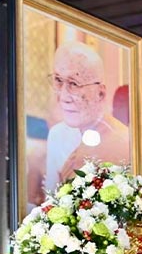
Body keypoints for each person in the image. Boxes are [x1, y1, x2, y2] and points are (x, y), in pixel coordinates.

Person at [38, 41, 131, 201]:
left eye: (74, 84)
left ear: (100, 94)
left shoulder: (122, 141)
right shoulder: (57, 134)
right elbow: (51, 200)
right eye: (58, 80)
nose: (64, 96)